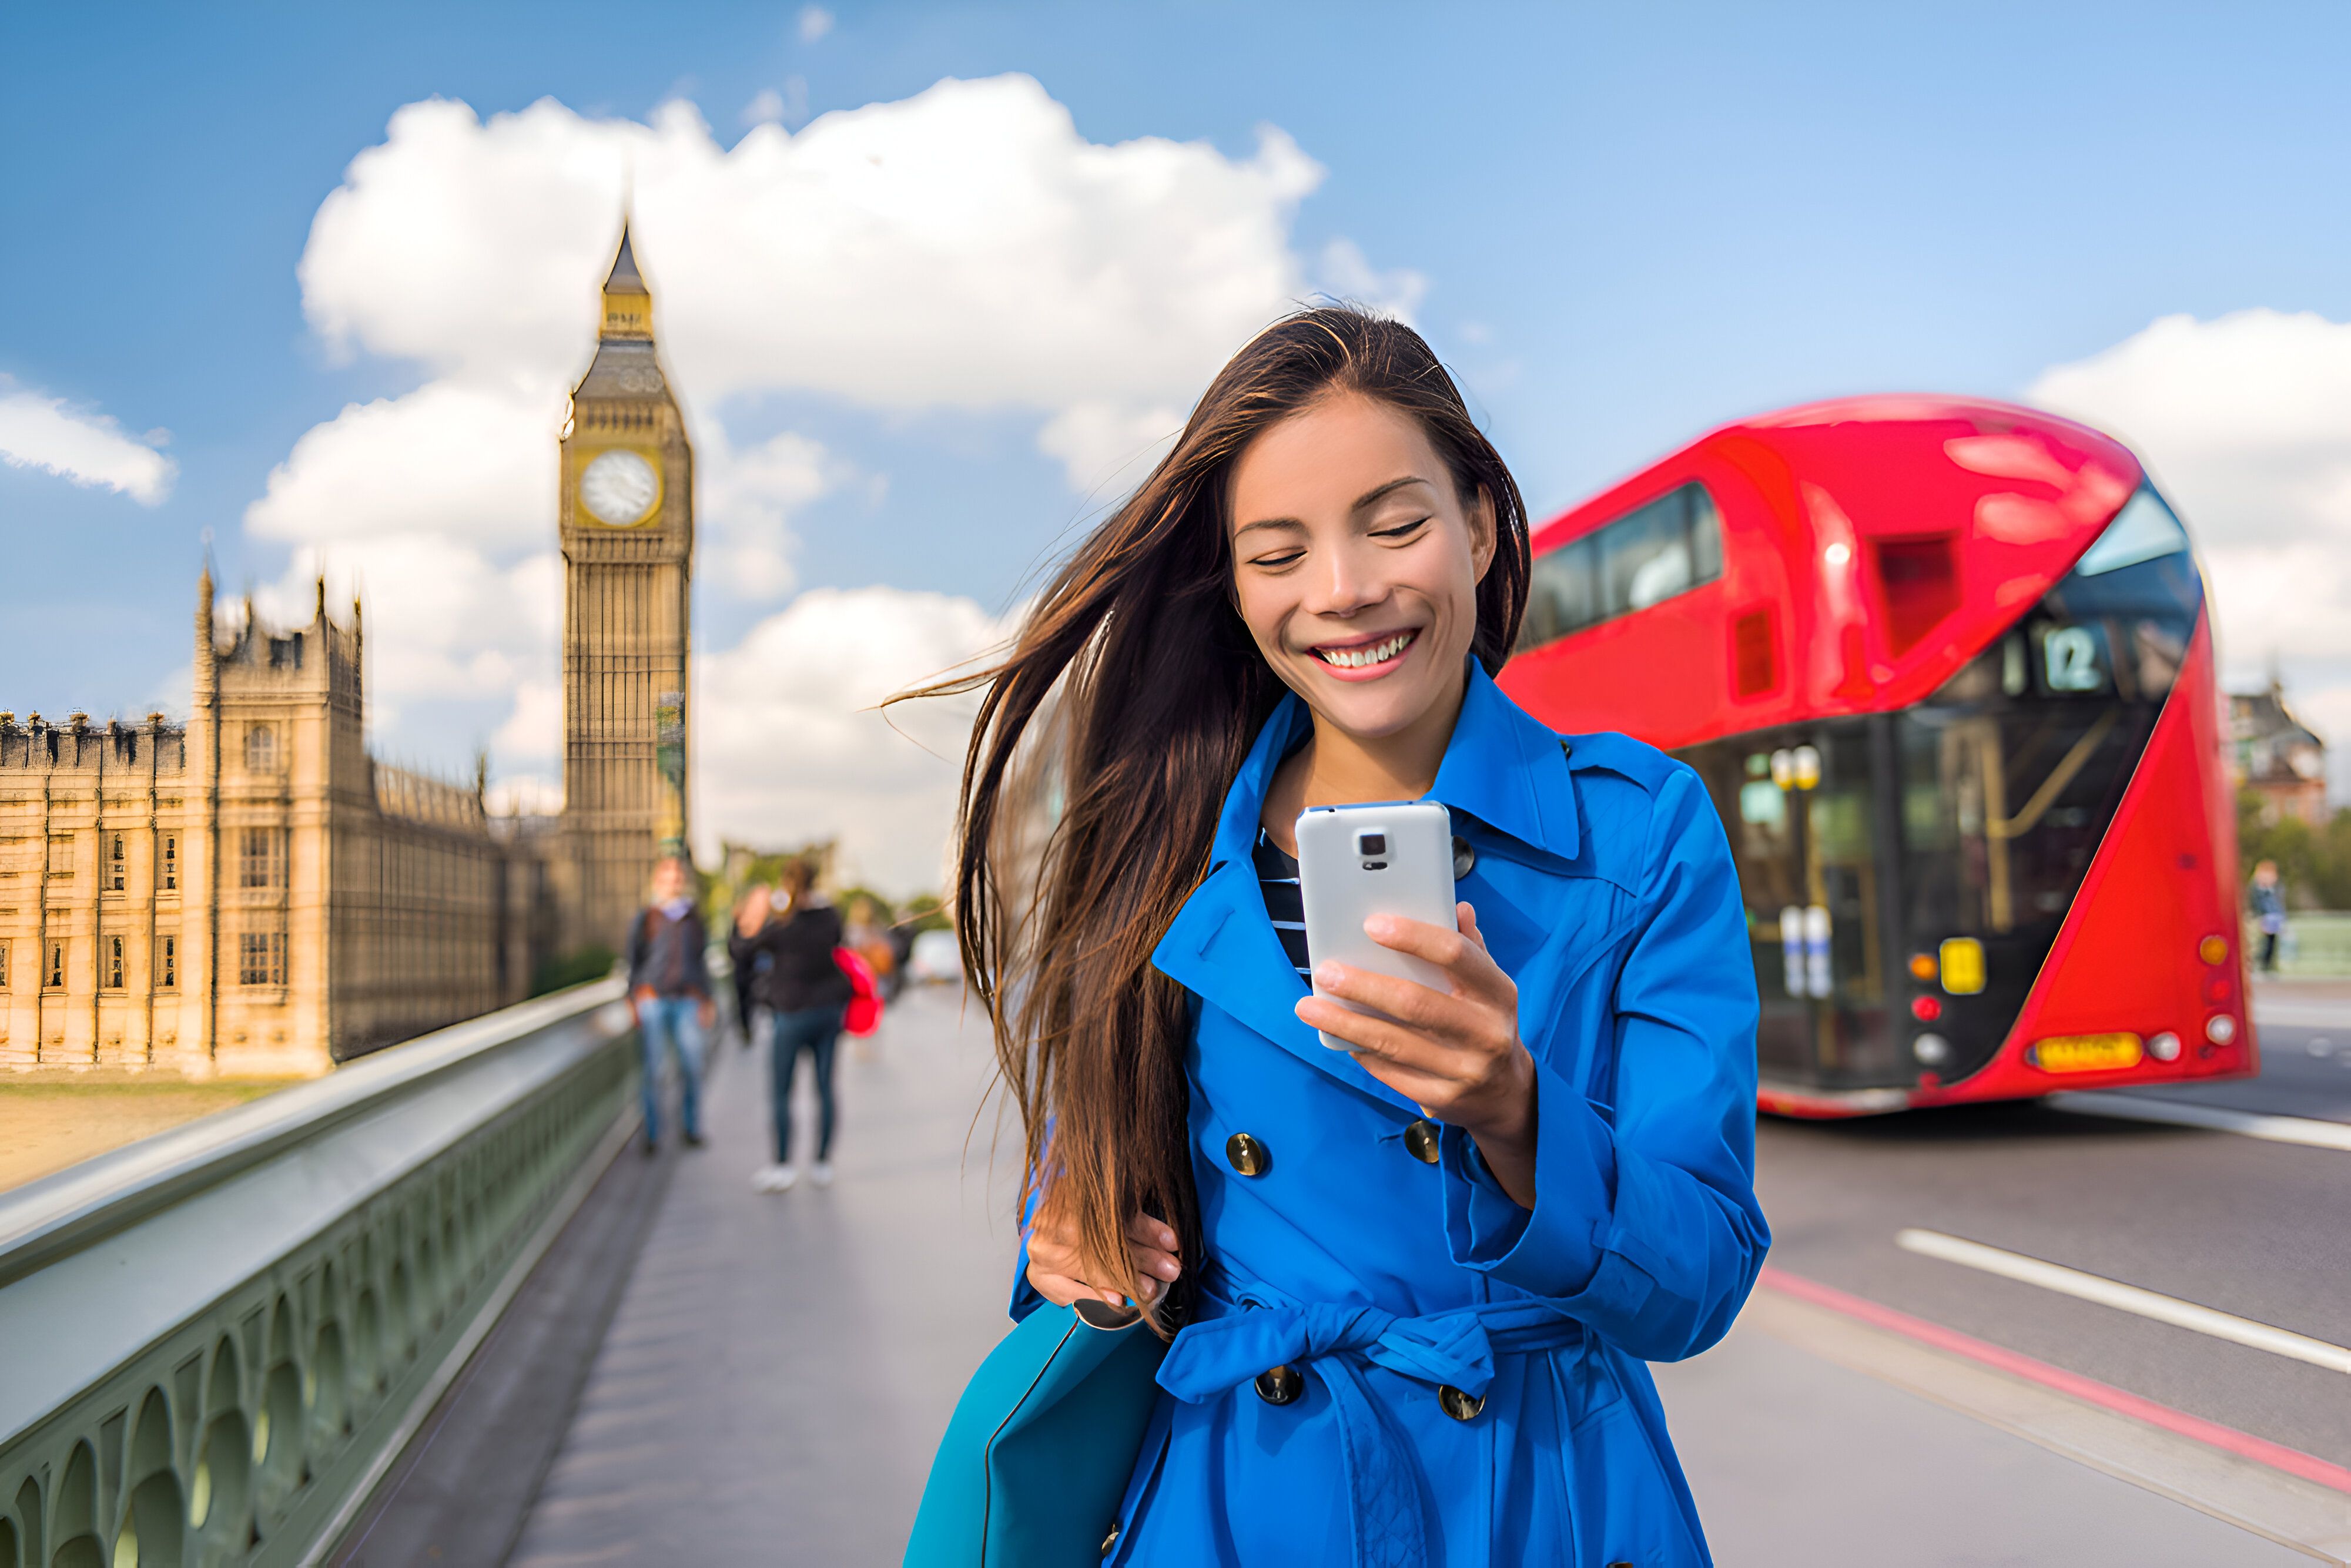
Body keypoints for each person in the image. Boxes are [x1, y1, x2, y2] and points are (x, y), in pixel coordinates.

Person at [922, 307, 1767, 1564]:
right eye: (1278, 552)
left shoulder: (1639, 833)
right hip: (1238, 1502)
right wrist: (1066, 1234)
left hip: (1541, 1502)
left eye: (1395, 523)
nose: (1342, 590)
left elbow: (1697, 1278)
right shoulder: (1157, 842)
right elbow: (1088, 1177)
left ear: (1478, 524)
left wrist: (1516, 1110)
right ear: (1231, 584)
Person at [753, 857, 855, 1192]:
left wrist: (756, 914)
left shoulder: (783, 923)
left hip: (792, 1013)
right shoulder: (829, 916)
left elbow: (742, 949)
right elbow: (839, 944)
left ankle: (783, 1164)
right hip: (827, 1011)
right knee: (825, 1088)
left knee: (782, 1091)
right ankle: (822, 1162)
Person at [625, 855, 714, 1154]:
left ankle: (691, 1127)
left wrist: (707, 999)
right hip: (653, 999)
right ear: (657, 881)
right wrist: (632, 1000)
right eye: (667, 877)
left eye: (677, 877)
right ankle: (652, 1133)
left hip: (687, 999)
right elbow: (633, 961)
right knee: (654, 1069)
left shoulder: (693, 917)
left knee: (691, 1065)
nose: (672, 882)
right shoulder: (647, 916)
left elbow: (702, 961)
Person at [728, 883, 776, 1049]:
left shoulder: (773, 922)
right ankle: (747, 1031)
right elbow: (734, 949)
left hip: (769, 985)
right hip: (746, 979)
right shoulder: (742, 920)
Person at [2251, 858, 2286, 973]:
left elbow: (2279, 903)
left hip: (2274, 918)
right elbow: (2255, 904)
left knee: (2272, 943)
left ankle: (2269, 964)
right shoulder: (2256, 890)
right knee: (2258, 943)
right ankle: (2258, 964)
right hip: (2260, 918)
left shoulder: (2276, 889)